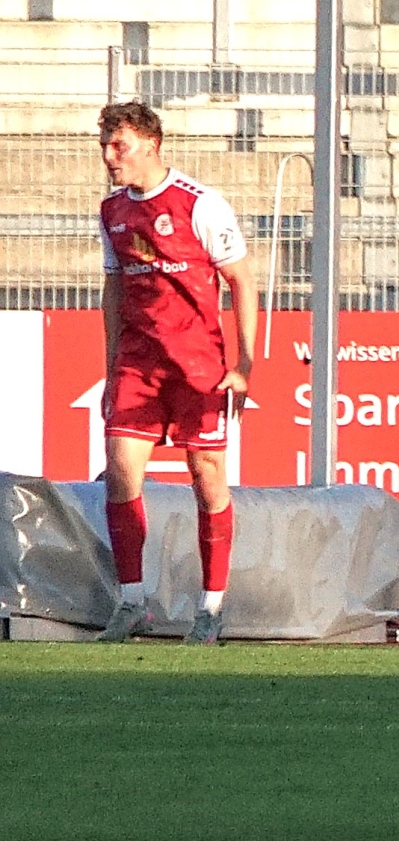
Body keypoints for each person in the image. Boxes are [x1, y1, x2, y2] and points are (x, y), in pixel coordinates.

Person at [94, 101, 257, 644]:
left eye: (118, 145)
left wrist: (245, 364)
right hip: (139, 364)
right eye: (104, 145)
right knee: (120, 472)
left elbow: (242, 282)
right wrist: (111, 363)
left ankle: (211, 607)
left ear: (150, 143)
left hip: (198, 366)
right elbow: (114, 287)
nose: (109, 156)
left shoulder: (199, 204)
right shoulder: (112, 210)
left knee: (207, 478)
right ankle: (133, 601)